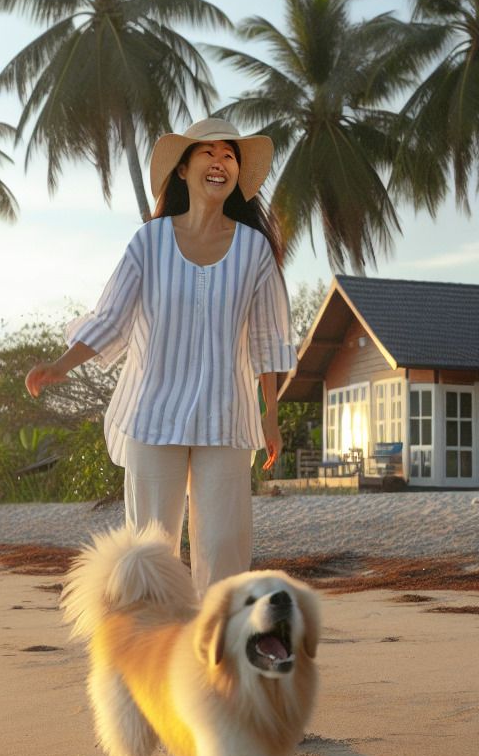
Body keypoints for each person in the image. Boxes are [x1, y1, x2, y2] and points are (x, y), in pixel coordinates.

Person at [27, 118, 296, 594]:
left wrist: (270, 415)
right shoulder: (149, 242)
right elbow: (111, 317)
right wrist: (61, 364)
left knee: (225, 545)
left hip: (228, 417)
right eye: (208, 152)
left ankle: (218, 640)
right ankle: (149, 641)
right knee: (150, 551)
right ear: (183, 170)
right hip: (153, 415)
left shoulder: (254, 250)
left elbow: (268, 339)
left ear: (236, 174)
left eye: (229, 155)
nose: (220, 161)